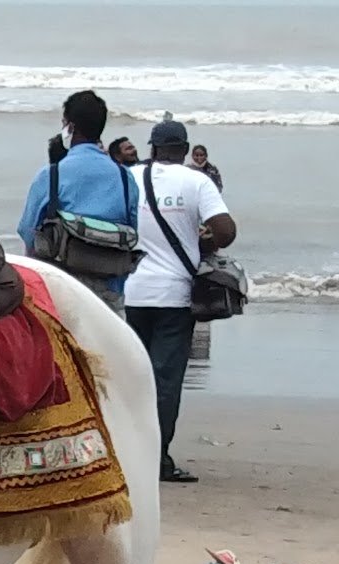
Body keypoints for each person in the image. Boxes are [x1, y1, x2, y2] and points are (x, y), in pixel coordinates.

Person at [125, 119, 236, 484]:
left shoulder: (129, 177)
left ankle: (127, 454)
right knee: (166, 380)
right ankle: (156, 459)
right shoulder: (196, 181)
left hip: (132, 290)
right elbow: (226, 232)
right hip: (174, 295)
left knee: (134, 376)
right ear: (185, 150)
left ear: (152, 148)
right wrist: (201, 241)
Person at [17, 90, 139, 313]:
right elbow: (132, 229)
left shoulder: (52, 174)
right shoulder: (124, 177)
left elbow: (28, 232)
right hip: (110, 292)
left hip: (61, 290)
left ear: (71, 127)